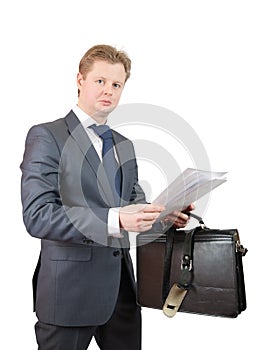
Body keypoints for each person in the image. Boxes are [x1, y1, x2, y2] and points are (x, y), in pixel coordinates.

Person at [20, 44, 194, 350]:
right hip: (69, 295)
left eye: (116, 84)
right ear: (80, 80)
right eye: (100, 81)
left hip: (122, 293)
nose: (108, 91)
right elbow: (38, 215)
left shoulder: (124, 145)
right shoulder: (46, 136)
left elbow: (133, 211)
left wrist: (163, 218)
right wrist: (115, 219)